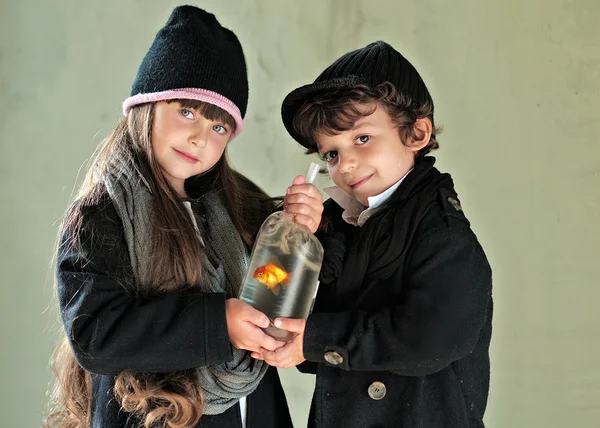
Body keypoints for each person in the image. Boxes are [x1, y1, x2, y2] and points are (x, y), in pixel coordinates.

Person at [44, 6, 322, 428]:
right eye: (187, 111)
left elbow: (270, 286)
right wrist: (218, 322)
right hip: (155, 415)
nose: (199, 136)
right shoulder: (102, 215)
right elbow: (97, 335)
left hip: (252, 410)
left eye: (219, 127)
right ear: (147, 106)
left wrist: (297, 233)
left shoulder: (238, 206)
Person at [255, 40, 493, 428]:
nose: (345, 163)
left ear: (416, 133)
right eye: (330, 154)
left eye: (361, 138)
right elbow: (274, 308)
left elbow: (429, 340)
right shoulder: (335, 227)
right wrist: (290, 242)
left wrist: (314, 339)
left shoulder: (444, 233)